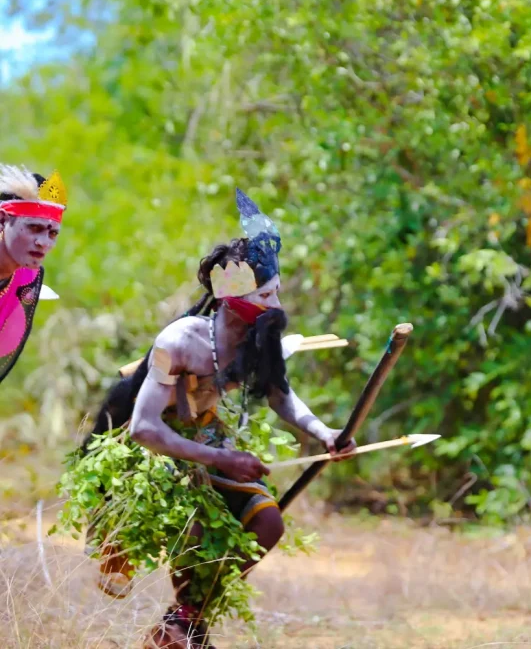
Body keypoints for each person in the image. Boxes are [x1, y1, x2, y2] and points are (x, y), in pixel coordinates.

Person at [80, 188, 355, 648]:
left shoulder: (259, 338)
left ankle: (183, 621)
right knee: (196, 529)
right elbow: (145, 428)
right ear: (233, 297)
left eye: (278, 291)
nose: (277, 303)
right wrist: (221, 460)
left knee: (268, 524)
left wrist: (325, 432)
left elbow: (281, 397)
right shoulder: (180, 341)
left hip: (211, 447)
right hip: (156, 454)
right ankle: (181, 628)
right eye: (266, 294)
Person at [0, 165, 67, 384]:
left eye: (53, 233)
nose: (44, 243)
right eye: (34, 228)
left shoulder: (25, 279)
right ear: (2, 220)